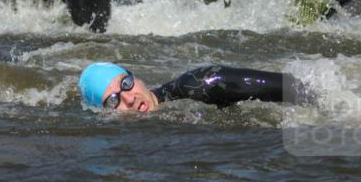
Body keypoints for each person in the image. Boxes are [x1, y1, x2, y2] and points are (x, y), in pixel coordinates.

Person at [78, 62, 306, 112]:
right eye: (113, 101)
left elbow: (293, 87)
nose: (129, 99)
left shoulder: (201, 85)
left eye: (126, 84)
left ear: (137, 78)